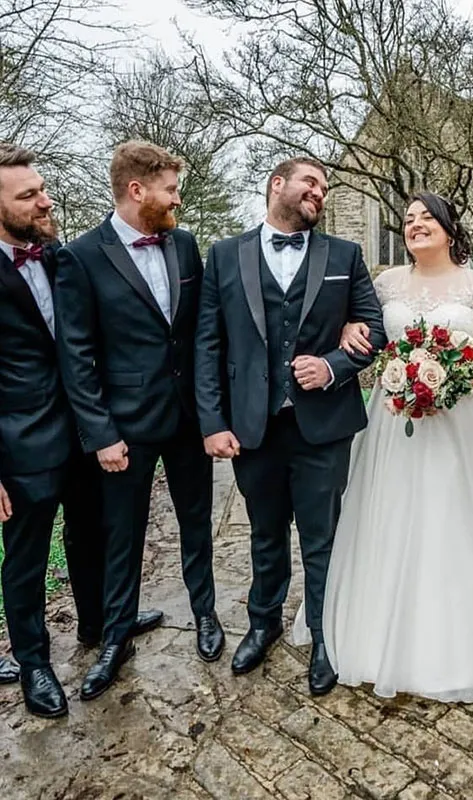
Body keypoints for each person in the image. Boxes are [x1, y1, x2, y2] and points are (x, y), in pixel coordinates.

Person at [311, 192, 473, 702]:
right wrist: (353, 331)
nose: (415, 225)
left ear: (450, 229)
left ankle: (466, 639)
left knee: (458, 518)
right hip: (394, 424)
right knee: (391, 515)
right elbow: (361, 330)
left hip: (464, 420)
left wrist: (445, 383)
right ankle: (381, 631)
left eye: (427, 217)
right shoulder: (383, 285)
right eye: (407, 219)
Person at [194, 156, 386, 695]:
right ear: (277, 184)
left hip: (323, 425)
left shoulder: (345, 255)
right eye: (310, 182)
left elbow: (375, 328)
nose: (319, 193)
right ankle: (263, 621)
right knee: (264, 531)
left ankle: (327, 635)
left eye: (325, 188)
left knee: (322, 537)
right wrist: (212, 421)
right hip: (253, 426)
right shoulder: (225, 254)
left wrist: (332, 366)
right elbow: (208, 344)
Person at [55, 141, 223, 701]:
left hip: (187, 420)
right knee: (121, 535)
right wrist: (100, 433)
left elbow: (200, 335)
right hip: (124, 428)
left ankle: (205, 614)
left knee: (196, 523)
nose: (178, 199)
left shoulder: (186, 244)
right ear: (137, 190)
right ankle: (116, 636)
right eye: (170, 190)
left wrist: (209, 412)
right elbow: (76, 355)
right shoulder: (80, 256)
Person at [0, 143, 160, 717]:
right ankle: (35, 663)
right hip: (20, 444)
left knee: (91, 531)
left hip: (86, 431)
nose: (45, 201)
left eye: (42, 189)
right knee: (27, 558)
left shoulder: (58, 255)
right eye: (28, 196)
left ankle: (97, 623)